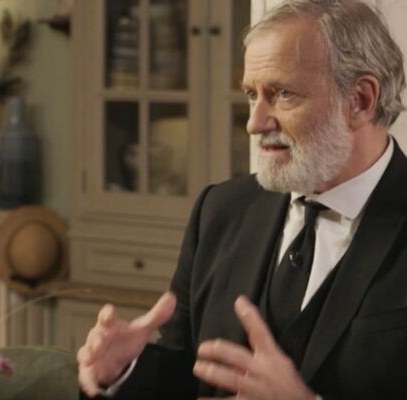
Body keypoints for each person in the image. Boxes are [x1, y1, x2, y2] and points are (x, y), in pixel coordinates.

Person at [78, 0, 407, 398]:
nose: (255, 122)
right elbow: (186, 374)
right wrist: (122, 373)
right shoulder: (221, 210)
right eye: (252, 95)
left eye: (282, 94)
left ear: (361, 100)